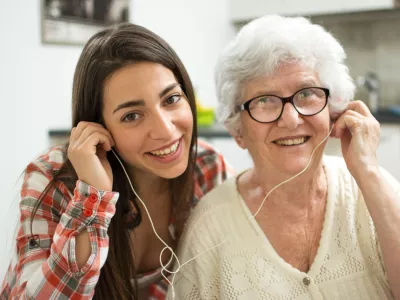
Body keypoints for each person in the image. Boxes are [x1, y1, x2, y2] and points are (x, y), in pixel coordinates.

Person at [168, 15, 400, 300]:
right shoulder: (210, 228)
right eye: (264, 100)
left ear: (334, 110)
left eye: (307, 94)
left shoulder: (372, 190)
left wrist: (370, 173)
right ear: (237, 129)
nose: (290, 120)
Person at [1, 23, 230, 300]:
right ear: (99, 127)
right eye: (132, 115)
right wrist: (92, 198)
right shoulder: (51, 177)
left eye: (171, 99)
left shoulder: (206, 168)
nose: (166, 131)